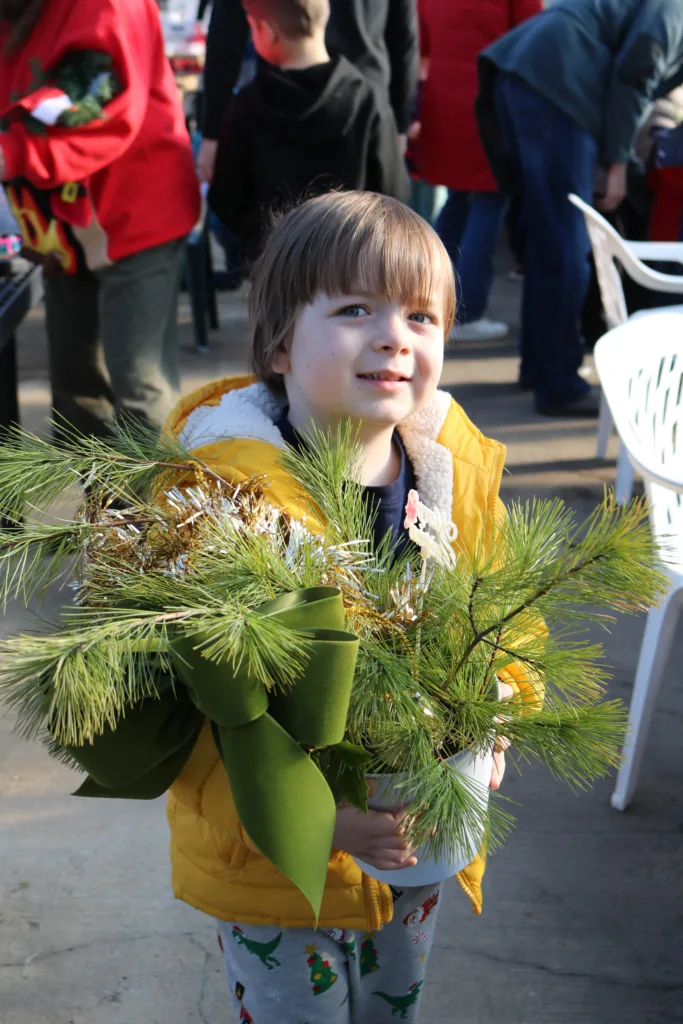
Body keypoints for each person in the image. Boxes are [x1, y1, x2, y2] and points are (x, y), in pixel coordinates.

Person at [161, 191, 535, 1023]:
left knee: (392, 1009)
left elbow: (506, 611)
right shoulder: (218, 501)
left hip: (420, 847)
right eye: (355, 308)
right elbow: (193, 712)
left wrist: (501, 704)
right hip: (279, 868)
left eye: (420, 316)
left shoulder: (451, 475)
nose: (394, 336)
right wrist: (324, 820)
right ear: (279, 343)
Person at [0, 0, 200, 436]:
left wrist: (11, 154)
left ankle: (154, 506)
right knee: (77, 393)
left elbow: (97, 100)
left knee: (140, 390)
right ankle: (100, 506)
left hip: (136, 215)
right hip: (59, 231)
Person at [476, 0, 683, 416]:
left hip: (524, 70)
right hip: (557, 77)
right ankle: (559, 385)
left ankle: (540, 368)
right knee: (568, 245)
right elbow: (636, 72)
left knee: (547, 235)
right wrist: (619, 162)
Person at [208, 0, 409, 258]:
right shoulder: (367, 102)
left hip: (276, 265)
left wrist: (265, 243)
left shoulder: (246, 107)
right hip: (350, 263)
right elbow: (392, 189)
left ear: (266, 32)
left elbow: (227, 197)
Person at [414, 0, 541, 343]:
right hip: (490, 106)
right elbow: (534, 43)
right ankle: (466, 313)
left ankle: (420, 299)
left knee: (458, 204)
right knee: (487, 205)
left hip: (444, 102)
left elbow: (421, 47)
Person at [197, 0, 418, 184]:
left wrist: (213, 132)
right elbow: (405, 35)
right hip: (351, 110)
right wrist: (399, 124)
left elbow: (224, 34)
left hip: (285, 105)